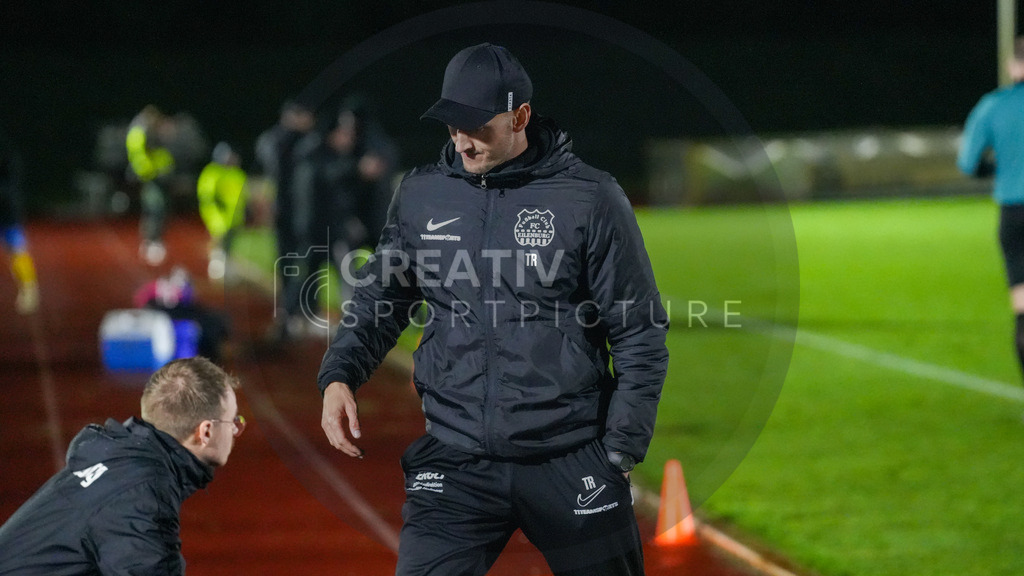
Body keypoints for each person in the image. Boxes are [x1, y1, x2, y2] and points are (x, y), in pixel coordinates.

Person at [318, 43, 669, 575]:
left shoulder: (590, 198)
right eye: (450, 124)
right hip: (456, 457)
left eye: (475, 125)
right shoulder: (421, 195)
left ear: (520, 116)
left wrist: (619, 451)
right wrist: (340, 374)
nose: (460, 140)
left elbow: (639, 330)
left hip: (571, 456)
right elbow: (379, 300)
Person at [0, 356, 244, 574]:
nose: (235, 429)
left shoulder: (119, 458)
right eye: (232, 420)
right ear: (206, 431)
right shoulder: (143, 491)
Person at [958, 36, 1024, 381]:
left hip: (1014, 216)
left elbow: (968, 163)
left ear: (1013, 65)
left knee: (1023, 310)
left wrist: (1000, 168)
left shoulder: (993, 106)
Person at [254, 100, 317, 339]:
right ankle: (290, 314)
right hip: (288, 214)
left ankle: (304, 312)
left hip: (308, 214)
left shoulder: (309, 140)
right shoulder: (277, 140)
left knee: (310, 262)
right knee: (291, 263)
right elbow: (274, 164)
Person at [126, 105, 176, 266]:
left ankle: (149, 241)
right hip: (151, 176)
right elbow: (141, 156)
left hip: (153, 175)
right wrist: (153, 172)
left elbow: (159, 154)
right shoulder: (142, 132)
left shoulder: (145, 130)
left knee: (153, 207)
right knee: (156, 207)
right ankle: (152, 242)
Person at [196, 142, 248, 280]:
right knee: (219, 241)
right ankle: (217, 266)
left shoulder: (237, 173)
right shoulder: (212, 172)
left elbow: (242, 195)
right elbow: (207, 196)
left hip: (234, 216)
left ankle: (226, 265)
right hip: (218, 216)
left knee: (230, 243)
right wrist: (216, 214)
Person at [0, 131, 39, 314]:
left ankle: (29, 290)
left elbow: (11, 183)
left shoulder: (7, 153)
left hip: (7, 211)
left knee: (17, 251)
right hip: (8, 208)